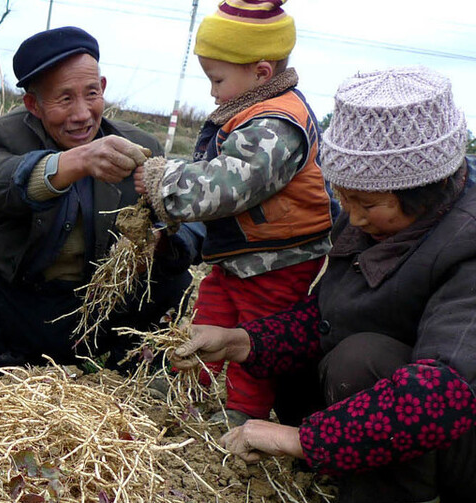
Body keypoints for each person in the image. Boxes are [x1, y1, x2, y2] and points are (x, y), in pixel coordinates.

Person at [171, 66, 476, 503]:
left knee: (361, 360)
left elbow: (445, 392)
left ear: (424, 189)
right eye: (344, 196)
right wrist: (242, 342)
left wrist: (297, 439)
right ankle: (357, 459)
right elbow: (331, 316)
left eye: (366, 204)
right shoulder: (380, 211)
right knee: (321, 357)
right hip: (418, 394)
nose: (352, 214)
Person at [0, 26, 201, 371]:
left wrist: (160, 242)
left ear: (103, 88)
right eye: (65, 99)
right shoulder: (1, 136)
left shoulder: (137, 145)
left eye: (91, 94)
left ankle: (131, 373)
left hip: (98, 313)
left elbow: (190, 224)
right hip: (22, 308)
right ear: (33, 105)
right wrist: (75, 162)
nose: (82, 113)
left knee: (178, 278)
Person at [135, 0, 334, 428]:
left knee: (254, 335)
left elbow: (227, 185)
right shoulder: (253, 110)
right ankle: (185, 386)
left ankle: (245, 414)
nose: (211, 91)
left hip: (280, 260)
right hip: (242, 256)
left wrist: (163, 181)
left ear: (261, 72)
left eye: (217, 78)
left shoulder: (277, 125)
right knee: (212, 312)